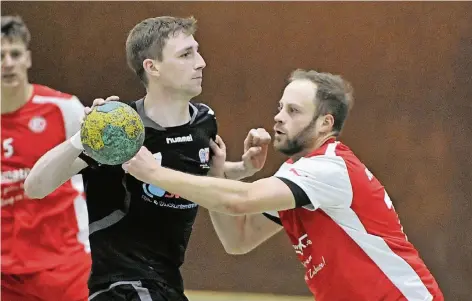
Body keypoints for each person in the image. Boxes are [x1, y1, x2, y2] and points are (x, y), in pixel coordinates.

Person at [123, 69, 445, 301]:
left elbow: (240, 199)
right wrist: (214, 174)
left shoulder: (328, 168)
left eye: (293, 111)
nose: (278, 117)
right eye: (280, 107)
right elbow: (239, 239)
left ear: (325, 123)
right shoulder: (299, 172)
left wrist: (156, 174)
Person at [25, 16, 267, 301]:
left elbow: (188, 175)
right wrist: (82, 137)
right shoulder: (118, 130)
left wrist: (242, 168)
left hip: (168, 282)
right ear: (152, 68)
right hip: (120, 286)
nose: (201, 62)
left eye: (197, 51)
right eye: (186, 54)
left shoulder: (204, 121)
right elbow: (34, 187)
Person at [1, 15, 91, 301]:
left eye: (15, 54)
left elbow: (100, 163)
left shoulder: (63, 109)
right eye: (0, 55)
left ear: (27, 58)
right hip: (6, 276)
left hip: (65, 265)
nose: (8, 63)